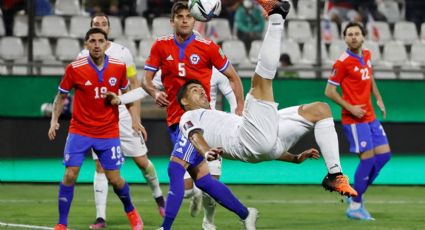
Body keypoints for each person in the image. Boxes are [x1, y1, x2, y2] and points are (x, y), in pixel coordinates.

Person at [48, 28, 143, 230]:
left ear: (106, 43)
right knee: (70, 175)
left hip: (108, 132)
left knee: (115, 180)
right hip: (79, 130)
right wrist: (54, 120)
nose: (97, 44)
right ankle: (61, 223)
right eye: (92, 41)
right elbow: (61, 96)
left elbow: (128, 96)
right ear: (86, 44)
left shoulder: (118, 67)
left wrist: (136, 120)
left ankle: (132, 213)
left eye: (101, 40)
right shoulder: (75, 68)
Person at [77, 12, 165, 229]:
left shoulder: (123, 53)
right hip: (99, 121)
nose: (100, 26)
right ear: (90, 31)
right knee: (100, 166)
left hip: (123, 116)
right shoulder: (81, 57)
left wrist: (136, 119)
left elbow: (134, 87)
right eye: (96, 24)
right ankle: (101, 218)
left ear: (109, 29)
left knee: (142, 162)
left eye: (104, 24)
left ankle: (159, 198)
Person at [325, 22, 391, 221]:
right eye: (350, 34)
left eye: (357, 34)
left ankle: (355, 193)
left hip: (370, 116)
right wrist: (351, 107)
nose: (353, 37)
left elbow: (370, 77)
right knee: (368, 159)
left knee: (384, 156)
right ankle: (355, 205)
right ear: (345, 38)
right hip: (354, 120)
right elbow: (329, 91)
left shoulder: (367, 55)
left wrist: (378, 97)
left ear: (363, 37)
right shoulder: (342, 62)